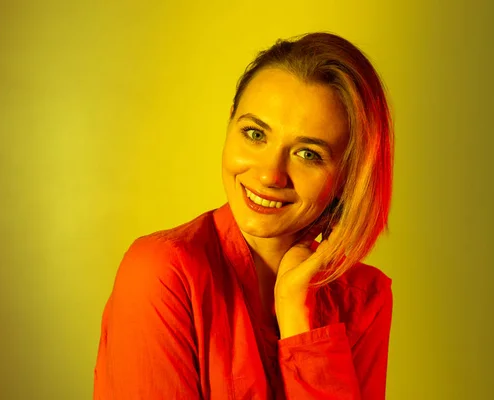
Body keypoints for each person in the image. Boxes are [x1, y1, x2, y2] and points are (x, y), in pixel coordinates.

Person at [93, 32, 394, 399]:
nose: (269, 174)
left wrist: (297, 313)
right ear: (229, 127)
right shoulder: (161, 272)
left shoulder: (363, 298)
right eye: (254, 134)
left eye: (308, 154)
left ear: (349, 177)